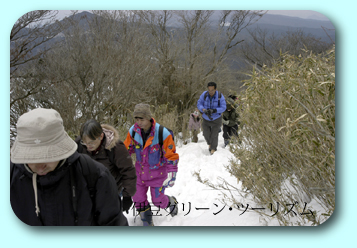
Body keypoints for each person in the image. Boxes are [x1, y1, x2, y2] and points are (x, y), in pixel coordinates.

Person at [10, 108, 128, 226]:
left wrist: (128, 194)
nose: (40, 167)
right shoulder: (9, 178)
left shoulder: (95, 175)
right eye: (32, 158)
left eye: (49, 157)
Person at [123, 103, 179, 226]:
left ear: (148, 117)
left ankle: (171, 202)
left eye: (141, 119)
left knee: (158, 201)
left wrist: (172, 173)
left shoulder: (162, 133)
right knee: (138, 199)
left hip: (158, 174)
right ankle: (147, 220)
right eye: (136, 119)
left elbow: (171, 155)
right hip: (140, 174)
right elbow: (125, 150)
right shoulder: (133, 131)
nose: (139, 122)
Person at [75, 119, 137, 214]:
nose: (88, 146)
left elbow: (128, 171)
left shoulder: (116, 147)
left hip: (111, 189)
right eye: (85, 142)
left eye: (91, 142)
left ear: (101, 136)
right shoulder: (79, 144)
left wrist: (127, 196)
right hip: (89, 190)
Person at [197, 82, 226, 155]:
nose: (210, 92)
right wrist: (203, 110)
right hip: (206, 118)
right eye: (209, 90)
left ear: (215, 89)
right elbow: (199, 104)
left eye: (212, 90)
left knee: (214, 134)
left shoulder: (220, 96)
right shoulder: (204, 94)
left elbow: (223, 107)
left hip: (216, 118)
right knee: (206, 133)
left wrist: (214, 110)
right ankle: (210, 143)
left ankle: (213, 149)